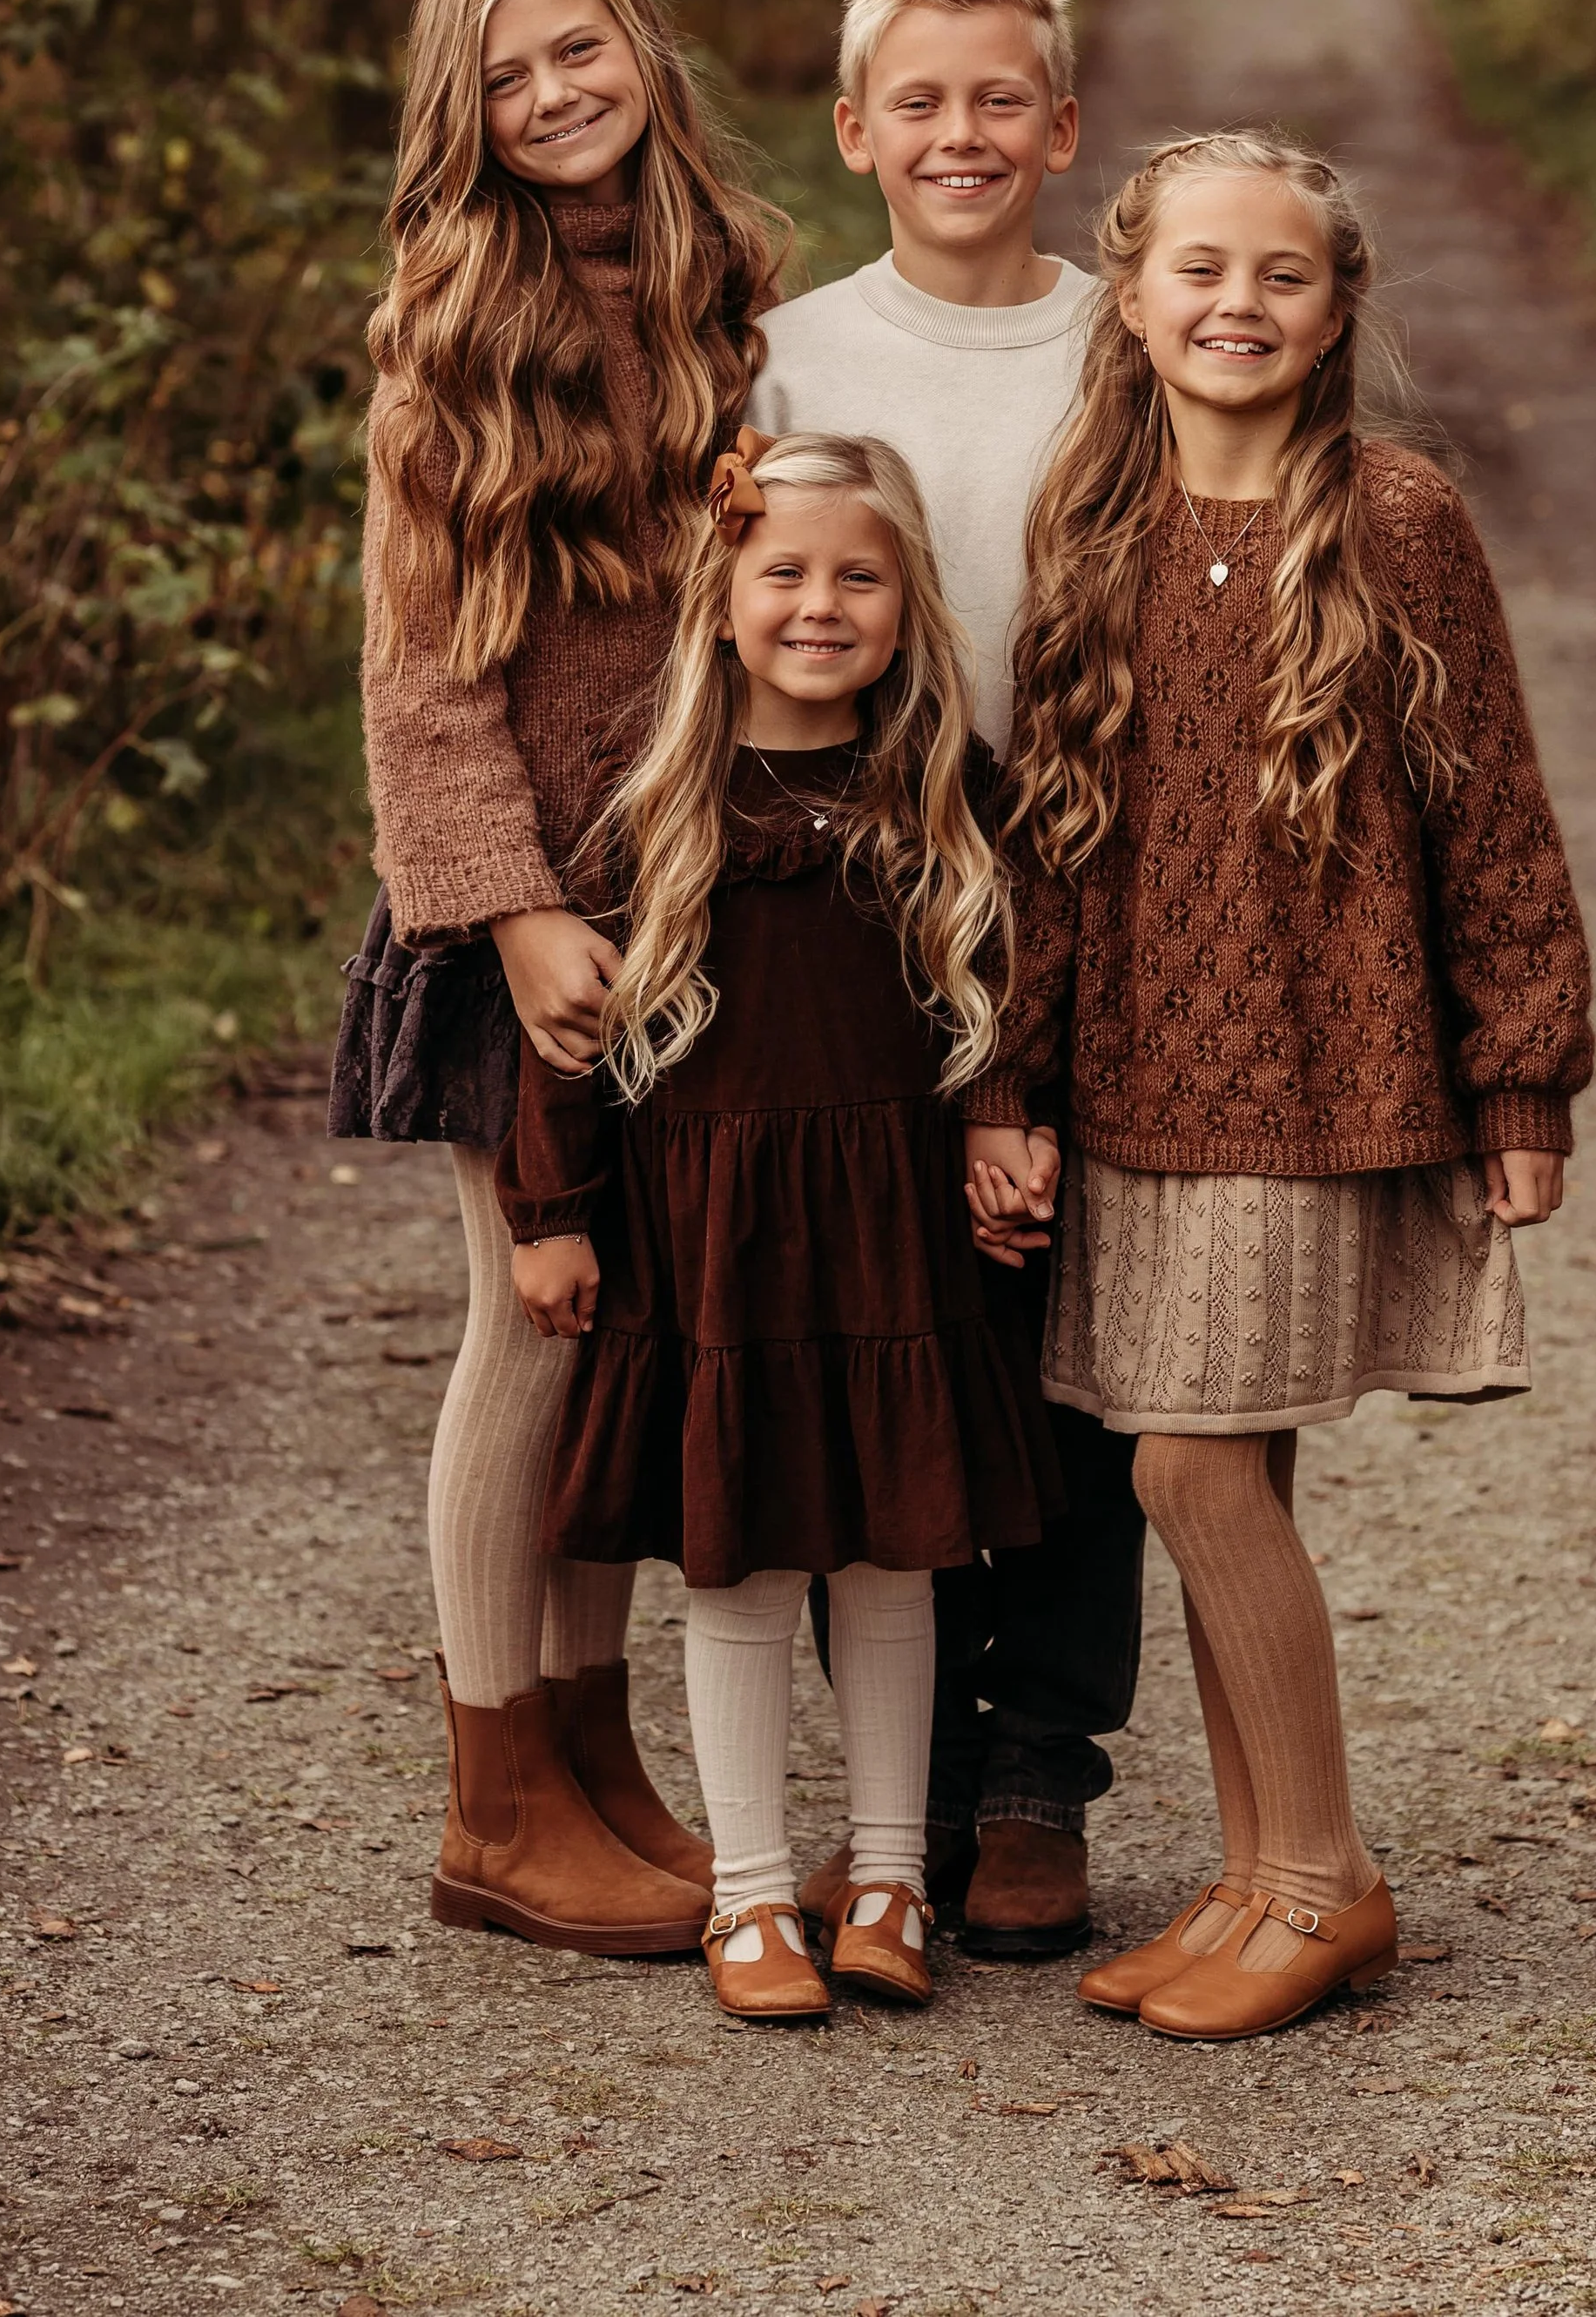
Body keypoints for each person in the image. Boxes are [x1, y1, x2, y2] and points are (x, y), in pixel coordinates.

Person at [965, 126, 1594, 2040]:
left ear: (1335, 311)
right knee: (1209, 1468)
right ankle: (1257, 1879)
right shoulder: (1092, 521)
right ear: (1132, 296)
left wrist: (1520, 1076)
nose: (1236, 305)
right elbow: (1048, 850)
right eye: (1199, 273)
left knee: (1186, 1464)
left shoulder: (1390, 516)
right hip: (1140, 1084)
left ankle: (1315, 1877)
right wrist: (1010, 1076)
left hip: (1320, 1082)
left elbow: (1489, 810)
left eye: (1281, 276)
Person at [329, 0, 786, 1957]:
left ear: (644, 55)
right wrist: (504, 914)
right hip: (525, 920)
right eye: (507, 76)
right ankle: (493, 1797)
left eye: (579, 54)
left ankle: (601, 1756)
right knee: (531, 1322)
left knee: (634, 1335)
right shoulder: (449, 335)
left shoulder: (725, 288)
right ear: (465, 109)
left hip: (694, 888)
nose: (552, 97)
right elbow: (417, 678)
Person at [494, 433, 1055, 2022]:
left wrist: (1007, 1119)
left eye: (858, 574)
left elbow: (1019, 983)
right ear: (722, 598)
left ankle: (888, 1878)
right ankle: (749, 1895)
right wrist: (555, 1217)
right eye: (785, 571)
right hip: (712, 1241)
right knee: (740, 1571)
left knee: (892, 1559)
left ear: (908, 603)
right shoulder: (654, 796)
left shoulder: (948, 789)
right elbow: (564, 1041)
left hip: (892, 1239)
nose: (821, 603)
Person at [747, 0, 1141, 1963]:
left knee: (1062, 1333)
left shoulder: (1124, 344)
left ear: (1061, 127)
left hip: (1088, 880)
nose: (961, 131)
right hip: (858, 903)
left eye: (999, 97)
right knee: (868, 1319)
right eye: (920, 99)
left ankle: (1034, 1772)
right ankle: (889, 1786)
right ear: (854, 133)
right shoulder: (793, 353)